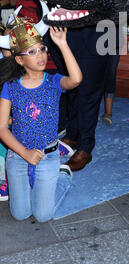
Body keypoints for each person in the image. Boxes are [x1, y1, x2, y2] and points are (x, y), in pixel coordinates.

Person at [39, 0, 112, 171]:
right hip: (61, 38)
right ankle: (70, 135)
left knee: (89, 91)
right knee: (68, 89)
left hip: (95, 36)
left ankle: (85, 147)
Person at [0, 17, 82, 222]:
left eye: (43, 49)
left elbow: (76, 79)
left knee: (43, 216)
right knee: (20, 214)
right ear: (19, 60)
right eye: (32, 52)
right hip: (18, 156)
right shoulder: (10, 86)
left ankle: (62, 177)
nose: (41, 55)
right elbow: (1, 128)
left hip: (48, 156)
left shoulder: (53, 82)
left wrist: (62, 44)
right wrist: (25, 153)